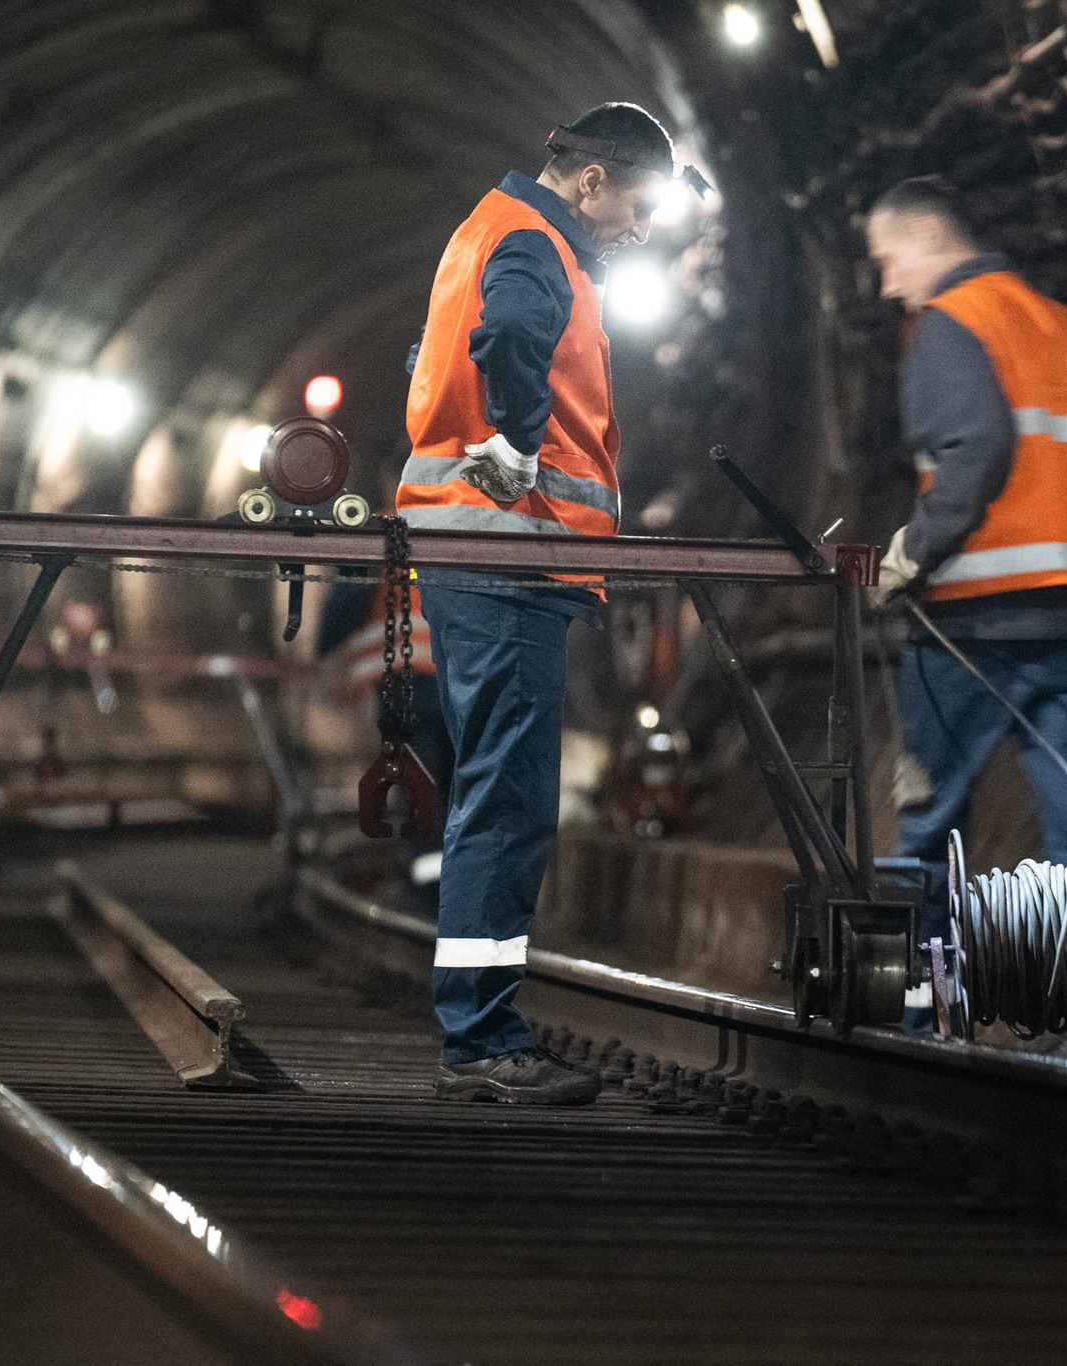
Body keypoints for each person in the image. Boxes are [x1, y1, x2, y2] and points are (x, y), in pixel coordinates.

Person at [398, 102, 682, 1103]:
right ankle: (480, 1040)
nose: (642, 231)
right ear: (593, 180)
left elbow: (436, 362)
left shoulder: (499, 230)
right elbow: (508, 333)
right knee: (509, 797)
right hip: (506, 556)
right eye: (640, 207)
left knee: (503, 791)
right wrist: (515, 443)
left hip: (496, 558)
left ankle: (481, 1027)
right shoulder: (532, 241)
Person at [863, 176, 1067, 1033]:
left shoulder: (949, 326)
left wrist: (910, 557)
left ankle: (916, 1025)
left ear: (928, 239)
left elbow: (977, 448)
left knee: (930, 827)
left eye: (887, 261)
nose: (886, 286)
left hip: (969, 629)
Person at [314, 562, 450, 918]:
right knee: (457, 787)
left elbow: (346, 600)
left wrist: (324, 648)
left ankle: (428, 893)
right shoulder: (471, 528)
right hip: (463, 677)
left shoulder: (388, 533)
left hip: (408, 681)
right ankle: (457, 889)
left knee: (422, 787)